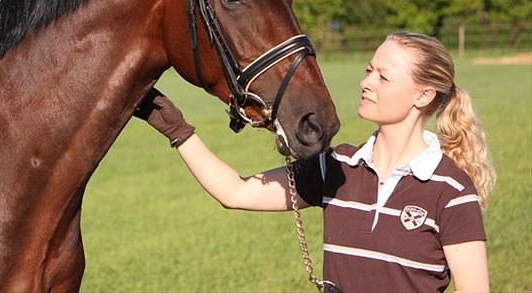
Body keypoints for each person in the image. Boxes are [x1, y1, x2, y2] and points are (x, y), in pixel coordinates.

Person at [135, 32, 495, 292]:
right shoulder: (337, 167)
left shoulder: (451, 192)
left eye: (383, 76)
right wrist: (176, 129)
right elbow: (236, 192)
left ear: (424, 95)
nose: (365, 82)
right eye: (369, 70)